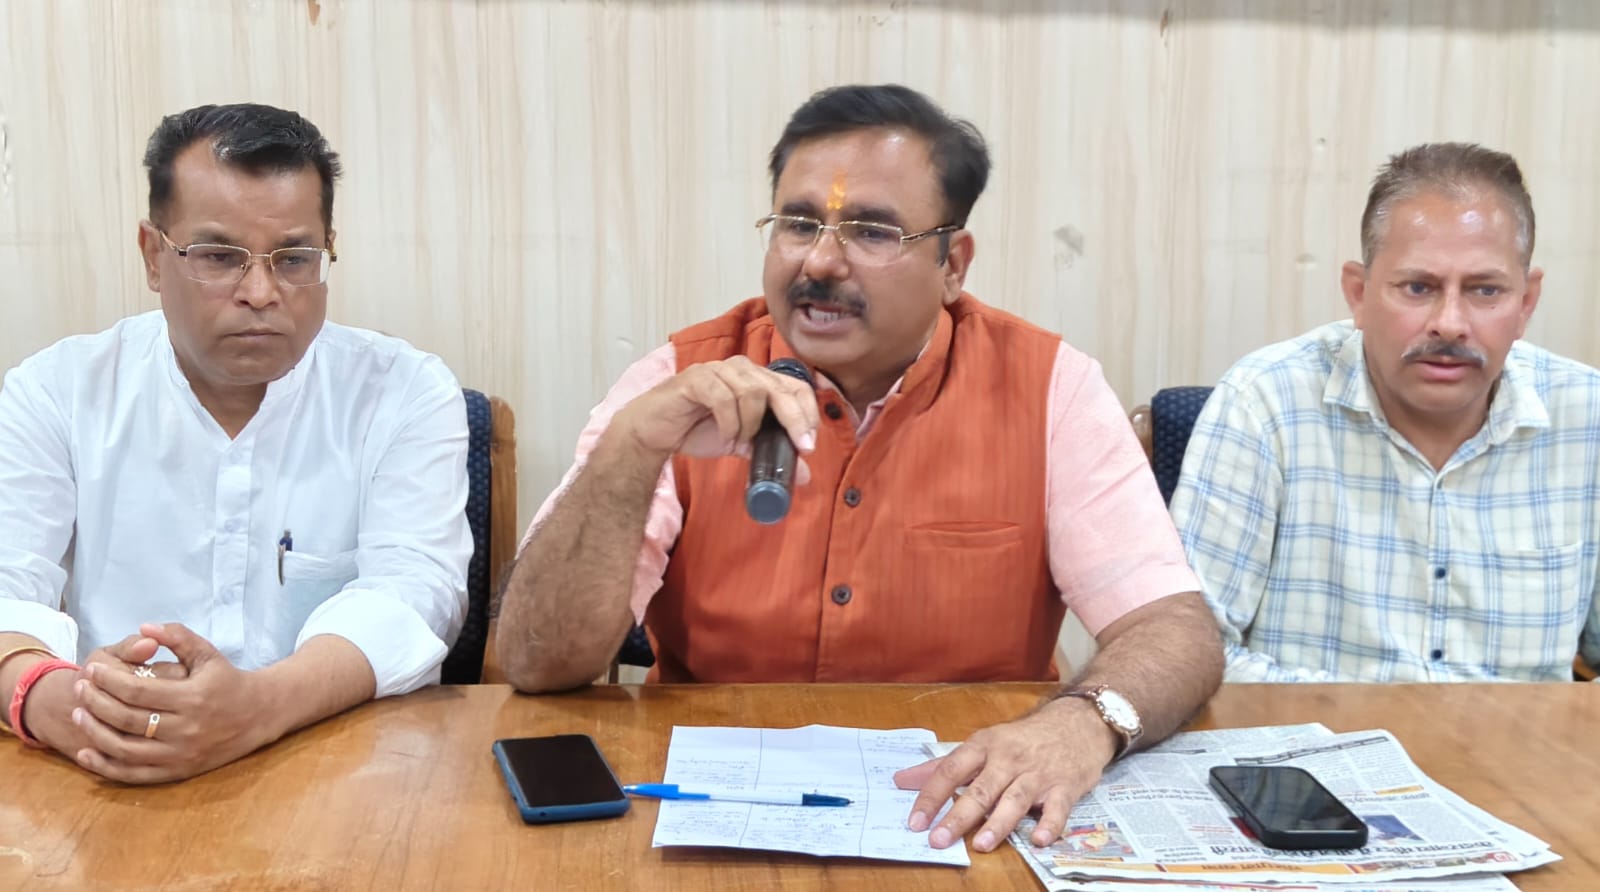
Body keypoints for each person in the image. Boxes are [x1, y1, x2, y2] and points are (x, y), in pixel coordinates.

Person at [496, 84, 1222, 852]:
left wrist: (1084, 723)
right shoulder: (678, 382)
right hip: (712, 814)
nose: (819, 260)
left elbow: (1174, 630)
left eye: (872, 231)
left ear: (952, 264)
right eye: (798, 223)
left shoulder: (1051, 389)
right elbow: (538, 663)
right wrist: (631, 453)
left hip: (966, 813)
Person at [0, 103, 472, 783]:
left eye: (294, 259)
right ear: (153, 255)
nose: (260, 292)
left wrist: (256, 708)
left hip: (335, 766)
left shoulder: (403, 391)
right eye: (219, 257)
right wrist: (64, 704)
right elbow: (8, 586)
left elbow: (417, 592)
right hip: (105, 764)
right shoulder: (58, 392)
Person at [1170, 142, 1600, 683]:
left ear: (1526, 303)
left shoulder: (1587, 416)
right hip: (1320, 736)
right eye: (1418, 287)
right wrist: (1382, 720)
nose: (1450, 324)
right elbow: (1189, 651)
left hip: (1521, 740)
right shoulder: (1265, 403)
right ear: (1359, 293)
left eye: (1484, 290)